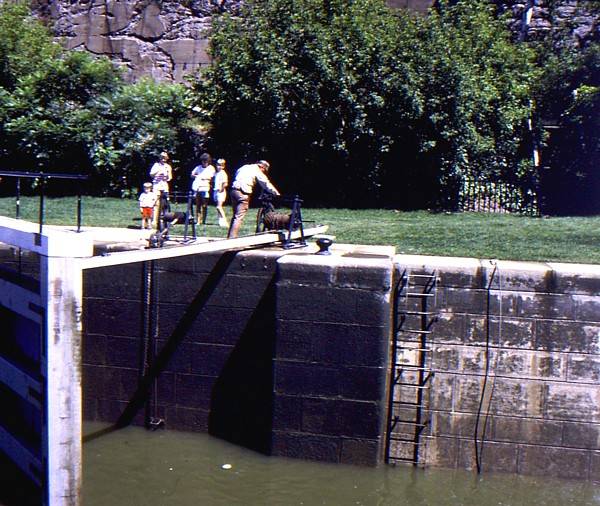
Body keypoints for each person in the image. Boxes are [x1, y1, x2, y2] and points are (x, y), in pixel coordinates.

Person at [227, 160, 280, 239]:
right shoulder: (257, 171)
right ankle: (232, 239)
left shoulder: (244, 167)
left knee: (235, 216)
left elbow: (236, 175)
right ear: (262, 167)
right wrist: (277, 193)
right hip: (243, 193)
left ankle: (229, 237)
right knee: (238, 217)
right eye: (264, 170)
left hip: (234, 191)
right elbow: (266, 183)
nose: (264, 172)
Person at [191, 152, 215, 225]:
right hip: (198, 188)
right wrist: (197, 176)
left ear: (208, 161)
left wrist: (201, 177)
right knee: (198, 205)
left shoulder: (211, 168)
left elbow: (210, 177)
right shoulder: (198, 167)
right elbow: (192, 174)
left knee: (204, 205)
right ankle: (198, 220)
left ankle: (203, 220)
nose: (204, 162)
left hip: (205, 188)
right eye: (203, 161)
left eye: (206, 161)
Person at [149, 151, 173, 227]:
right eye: (162, 158)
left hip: (164, 186)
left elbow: (170, 177)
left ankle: (164, 220)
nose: (163, 159)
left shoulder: (168, 166)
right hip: (157, 185)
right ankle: (154, 221)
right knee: (156, 203)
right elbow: (151, 174)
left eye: (165, 158)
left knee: (165, 204)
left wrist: (167, 177)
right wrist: (158, 172)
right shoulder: (156, 165)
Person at [213, 158, 229, 227]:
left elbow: (225, 183)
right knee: (218, 207)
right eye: (218, 165)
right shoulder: (216, 173)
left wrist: (221, 189)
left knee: (219, 207)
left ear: (223, 166)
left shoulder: (223, 173)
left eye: (221, 165)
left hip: (221, 192)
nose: (219, 166)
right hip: (216, 191)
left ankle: (225, 221)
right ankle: (220, 221)